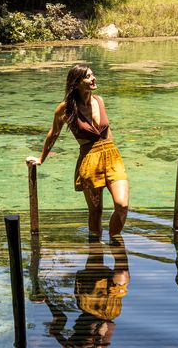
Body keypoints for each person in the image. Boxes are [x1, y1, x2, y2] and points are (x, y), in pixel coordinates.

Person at [26, 63, 128, 238]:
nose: (93, 78)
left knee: (122, 205)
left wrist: (113, 153)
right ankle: (96, 248)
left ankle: (114, 242)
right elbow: (53, 134)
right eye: (88, 76)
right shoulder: (65, 108)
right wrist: (41, 158)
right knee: (95, 212)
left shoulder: (99, 100)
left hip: (112, 157)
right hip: (89, 160)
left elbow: (107, 130)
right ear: (77, 82)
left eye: (92, 74)